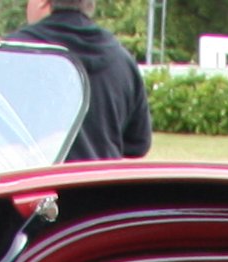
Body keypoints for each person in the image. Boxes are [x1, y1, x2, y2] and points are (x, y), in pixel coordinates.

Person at [17, 0, 149, 165]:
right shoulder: (121, 60)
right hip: (99, 186)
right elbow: (137, 145)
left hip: (34, 186)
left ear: (44, 2)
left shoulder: (13, 54)